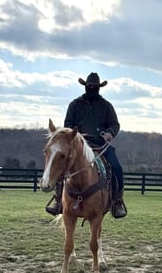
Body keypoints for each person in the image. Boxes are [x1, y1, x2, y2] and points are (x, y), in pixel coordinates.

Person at [45, 72, 128, 219]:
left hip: (100, 145)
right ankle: (58, 200)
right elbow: (68, 124)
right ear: (85, 86)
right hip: (78, 145)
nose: (92, 89)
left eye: (94, 87)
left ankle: (117, 201)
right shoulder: (75, 104)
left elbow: (115, 124)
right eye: (90, 86)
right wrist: (76, 135)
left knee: (116, 167)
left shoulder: (106, 106)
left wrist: (109, 133)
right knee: (63, 165)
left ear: (98, 88)